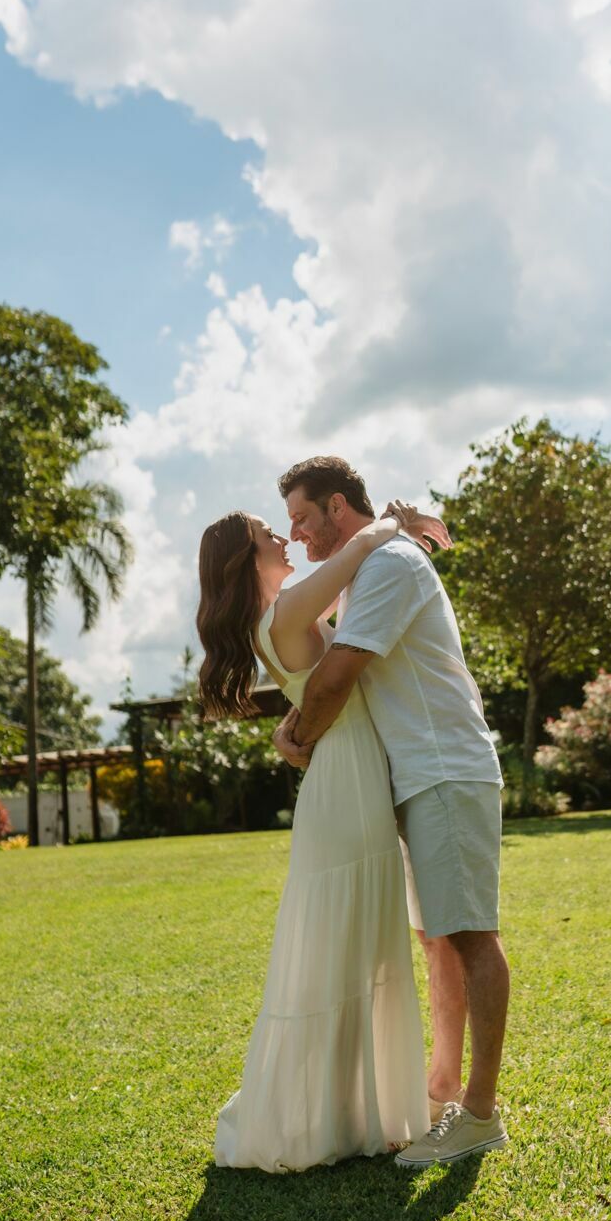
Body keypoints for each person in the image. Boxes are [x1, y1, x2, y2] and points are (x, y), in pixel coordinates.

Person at [272, 455, 510, 1170]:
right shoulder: (368, 563)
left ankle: (479, 1114)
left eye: (304, 520)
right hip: (413, 778)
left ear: (338, 505)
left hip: (443, 770)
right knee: (437, 937)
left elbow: (340, 674)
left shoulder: (387, 567)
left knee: (468, 934)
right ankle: (439, 1091)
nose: (300, 538)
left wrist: (297, 739)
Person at [196, 498, 444, 1171]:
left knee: (359, 944)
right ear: (245, 560)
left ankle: (354, 1109)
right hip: (344, 785)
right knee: (351, 943)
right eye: (266, 534)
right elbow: (358, 554)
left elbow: (360, 618)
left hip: (348, 774)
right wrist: (398, 520)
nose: (283, 536)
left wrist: (292, 728)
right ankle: (333, 1115)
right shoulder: (284, 611)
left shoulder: (281, 615)